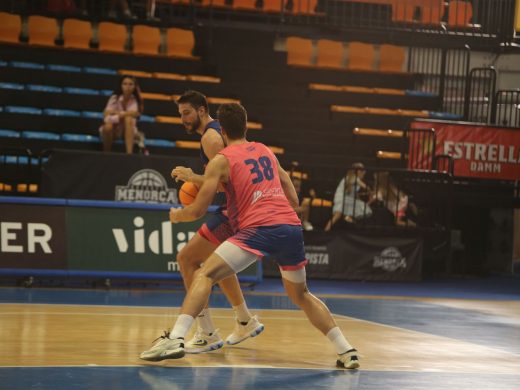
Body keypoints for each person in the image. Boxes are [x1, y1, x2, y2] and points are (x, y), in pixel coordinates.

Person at [140, 103, 359, 369]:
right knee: (302, 294)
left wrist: (177, 215)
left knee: (205, 274)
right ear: (246, 126)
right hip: (289, 227)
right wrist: (288, 213)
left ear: (221, 130)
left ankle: (176, 338)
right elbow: (290, 188)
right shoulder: (266, 150)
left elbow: (197, 210)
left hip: (257, 229)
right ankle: (346, 350)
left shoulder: (221, 160)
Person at [169, 91, 263, 353]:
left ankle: (206, 332)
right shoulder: (211, 135)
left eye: (186, 113)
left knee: (187, 259)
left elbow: (227, 181)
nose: (183, 119)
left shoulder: (211, 138)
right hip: (236, 210)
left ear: (201, 111)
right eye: (180, 114)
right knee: (219, 263)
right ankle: (244, 320)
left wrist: (193, 178)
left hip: (232, 211)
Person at [100, 75, 143, 154]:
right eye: (125, 84)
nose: (127, 87)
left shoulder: (136, 100)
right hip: (114, 129)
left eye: (130, 84)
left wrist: (117, 113)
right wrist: (121, 116)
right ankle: (106, 153)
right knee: (107, 127)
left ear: (134, 87)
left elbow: (135, 115)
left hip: (128, 131)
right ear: (121, 85)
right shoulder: (114, 98)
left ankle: (129, 154)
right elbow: (106, 116)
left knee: (128, 120)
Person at [325, 162, 372, 231]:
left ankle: (347, 216)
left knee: (361, 206)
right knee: (337, 215)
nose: (363, 172)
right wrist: (371, 191)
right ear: (357, 171)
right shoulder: (352, 178)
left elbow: (354, 193)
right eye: (361, 171)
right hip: (341, 197)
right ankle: (326, 230)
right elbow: (365, 187)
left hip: (348, 198)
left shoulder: (355, 179)